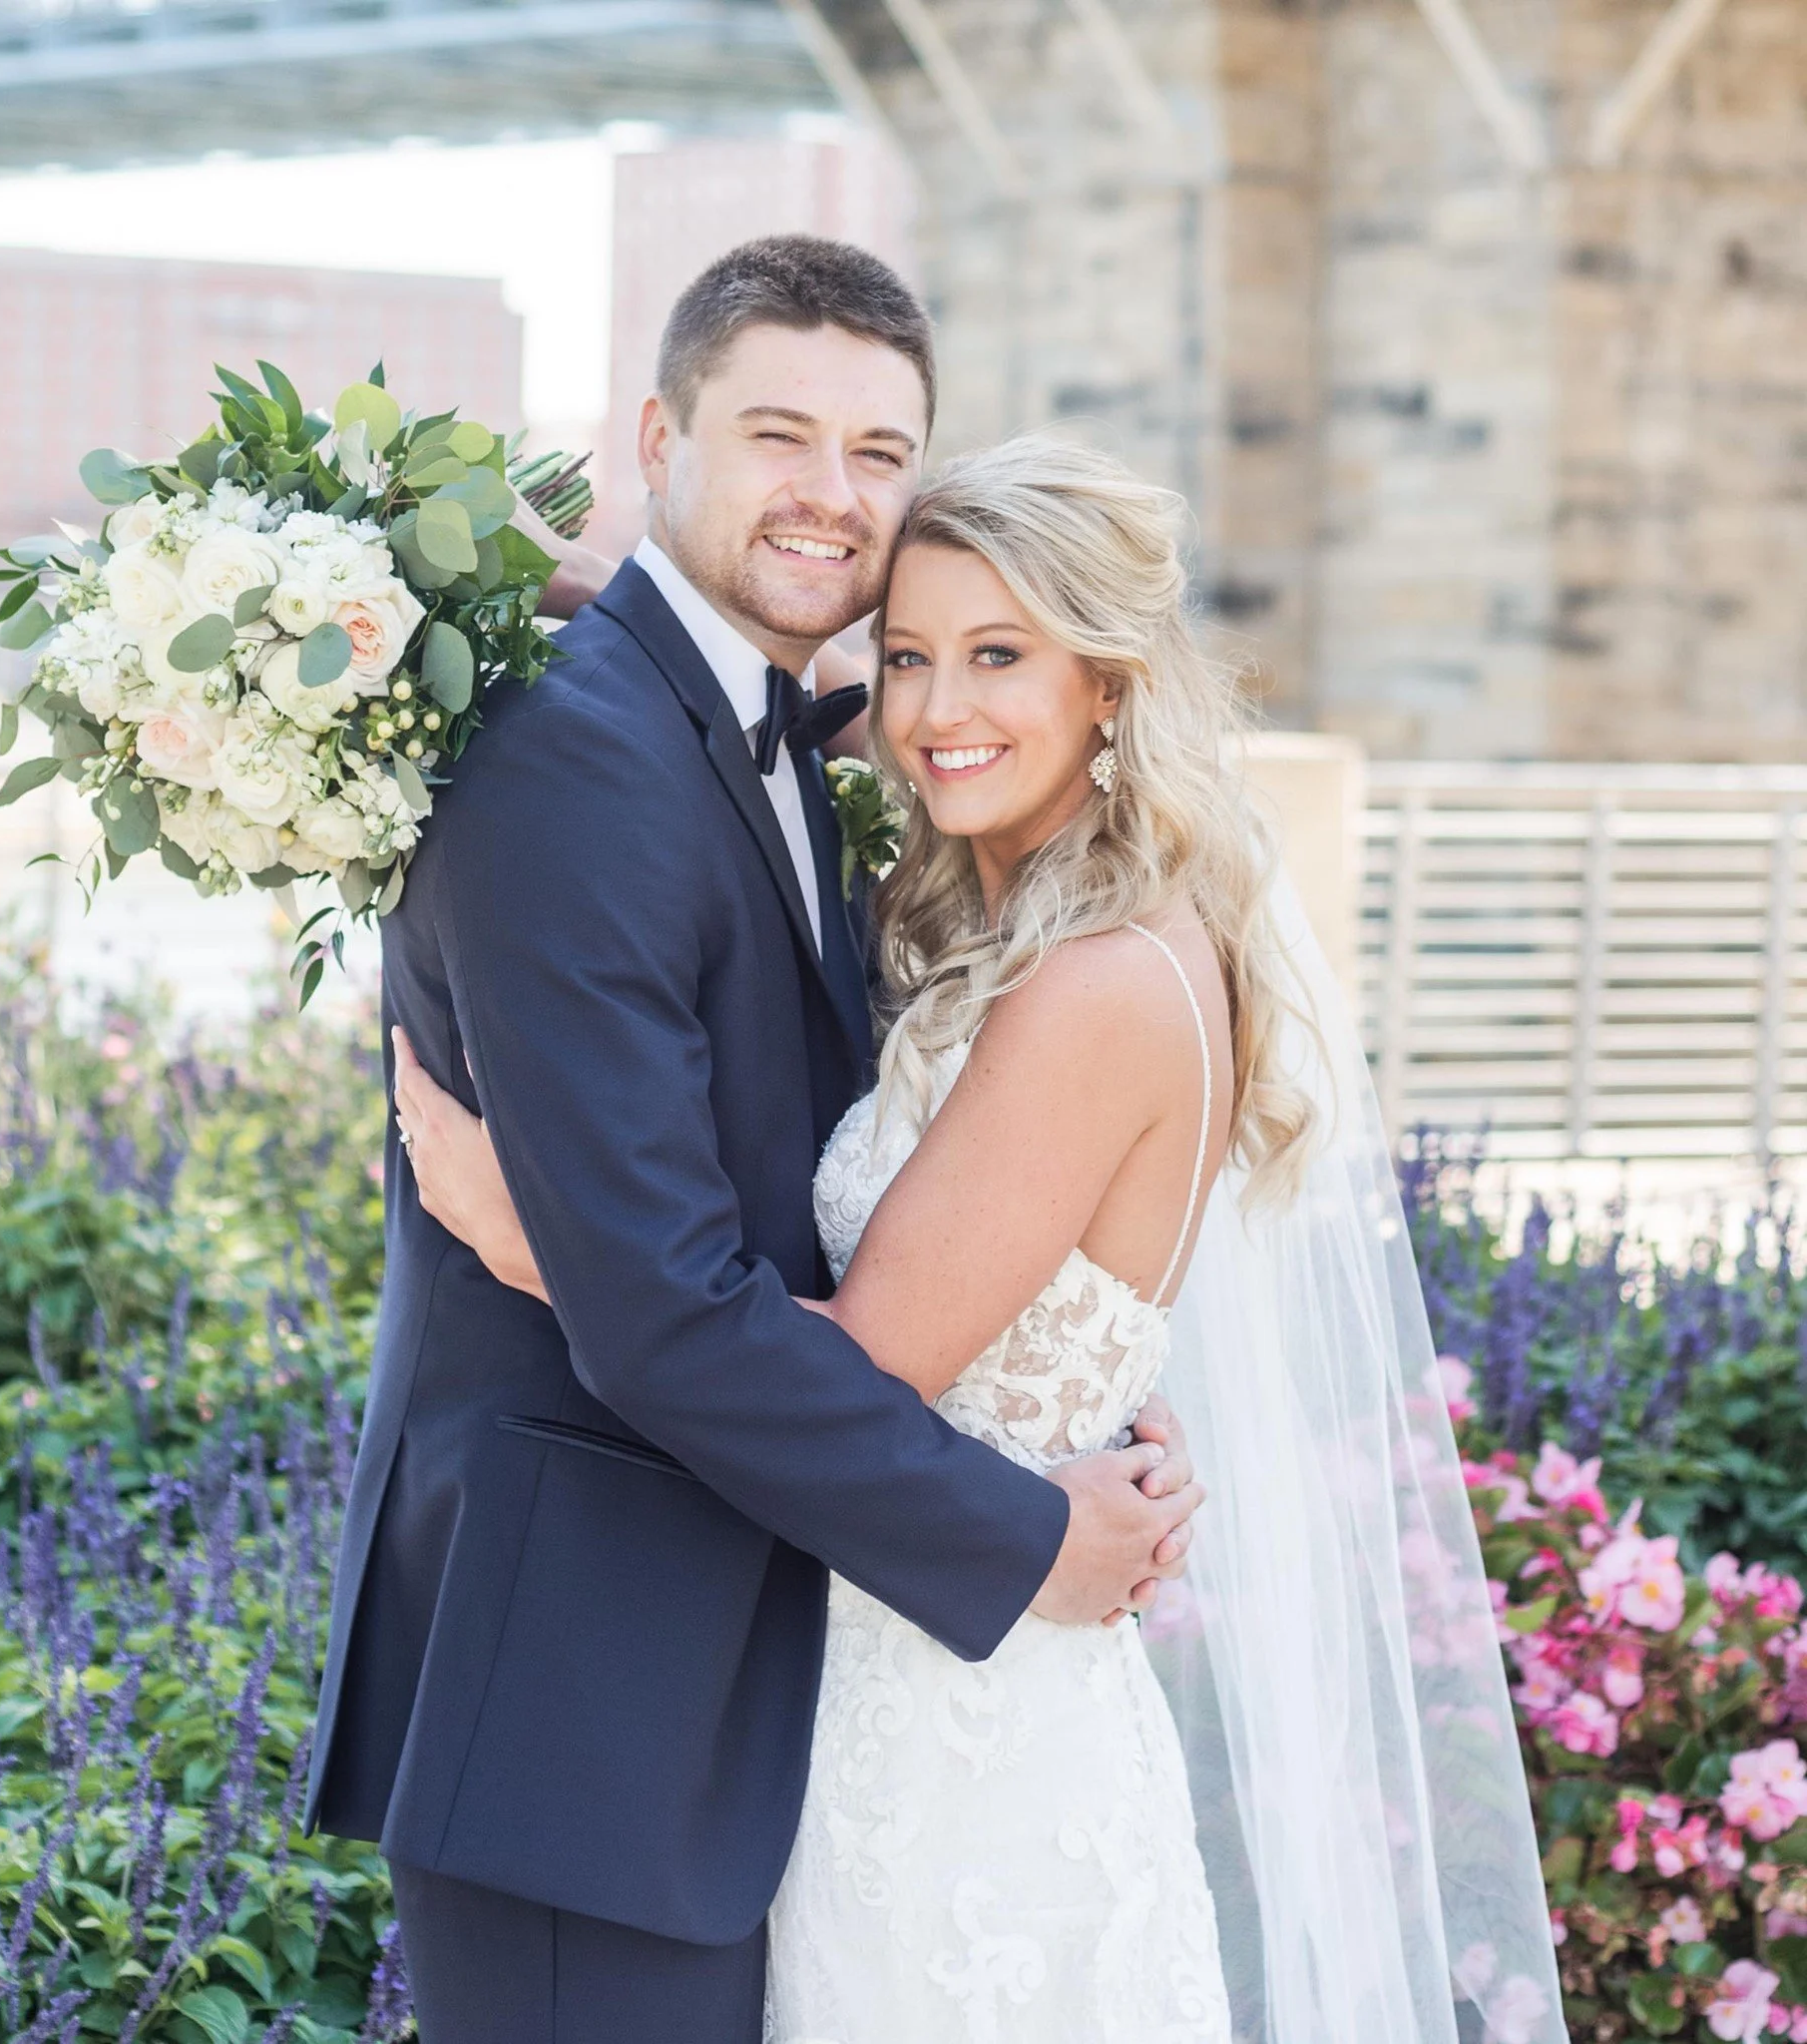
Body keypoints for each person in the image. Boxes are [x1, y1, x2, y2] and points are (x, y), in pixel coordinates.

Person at [400, 434, 1570, 2041]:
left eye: (1000, 656)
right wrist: (609, 596)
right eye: (908, 657)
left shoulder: (1096, 990)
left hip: (963, 1737)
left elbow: (831, 1374)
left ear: (1109, 683)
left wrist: (523, 1230)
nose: (942, 712)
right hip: (908, 1668)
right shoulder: (1009, 932)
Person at [301, 236, 1206, 2044]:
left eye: (880, 453)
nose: (831, 495)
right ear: (659, 437)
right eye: (778, 434)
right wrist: (1023, 1529)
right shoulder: (578, 756)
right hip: (589, 1694)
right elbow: (662, 1314)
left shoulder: (792, 744)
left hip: (737, 1676)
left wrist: (1066, 1380)